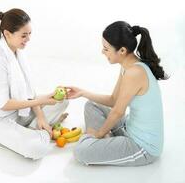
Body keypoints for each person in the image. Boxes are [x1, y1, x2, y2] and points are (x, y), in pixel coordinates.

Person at [66, 21, 168, 166]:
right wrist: (83, 92)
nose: (102, 52)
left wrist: (99, 134)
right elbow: (114, 100)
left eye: (106, 49)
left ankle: (100, 141)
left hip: (142, 147)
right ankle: (104, 141)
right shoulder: (127, 66)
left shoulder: (135, 72)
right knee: (91, 105)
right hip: (129, 128)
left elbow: (118, 112)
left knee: (80, 152)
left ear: (122, 50)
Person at [0, 8, 68, 160]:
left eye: (30, 34)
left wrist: (41, 117)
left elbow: (30, 94)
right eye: (23, 35)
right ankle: (43, 132)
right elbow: (4, 104)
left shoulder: (18, 52)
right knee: (37, 149)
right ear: (7, 34)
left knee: (62, 100)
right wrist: (42, 101)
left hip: (19, 112)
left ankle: (36, 129)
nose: (28, 39)